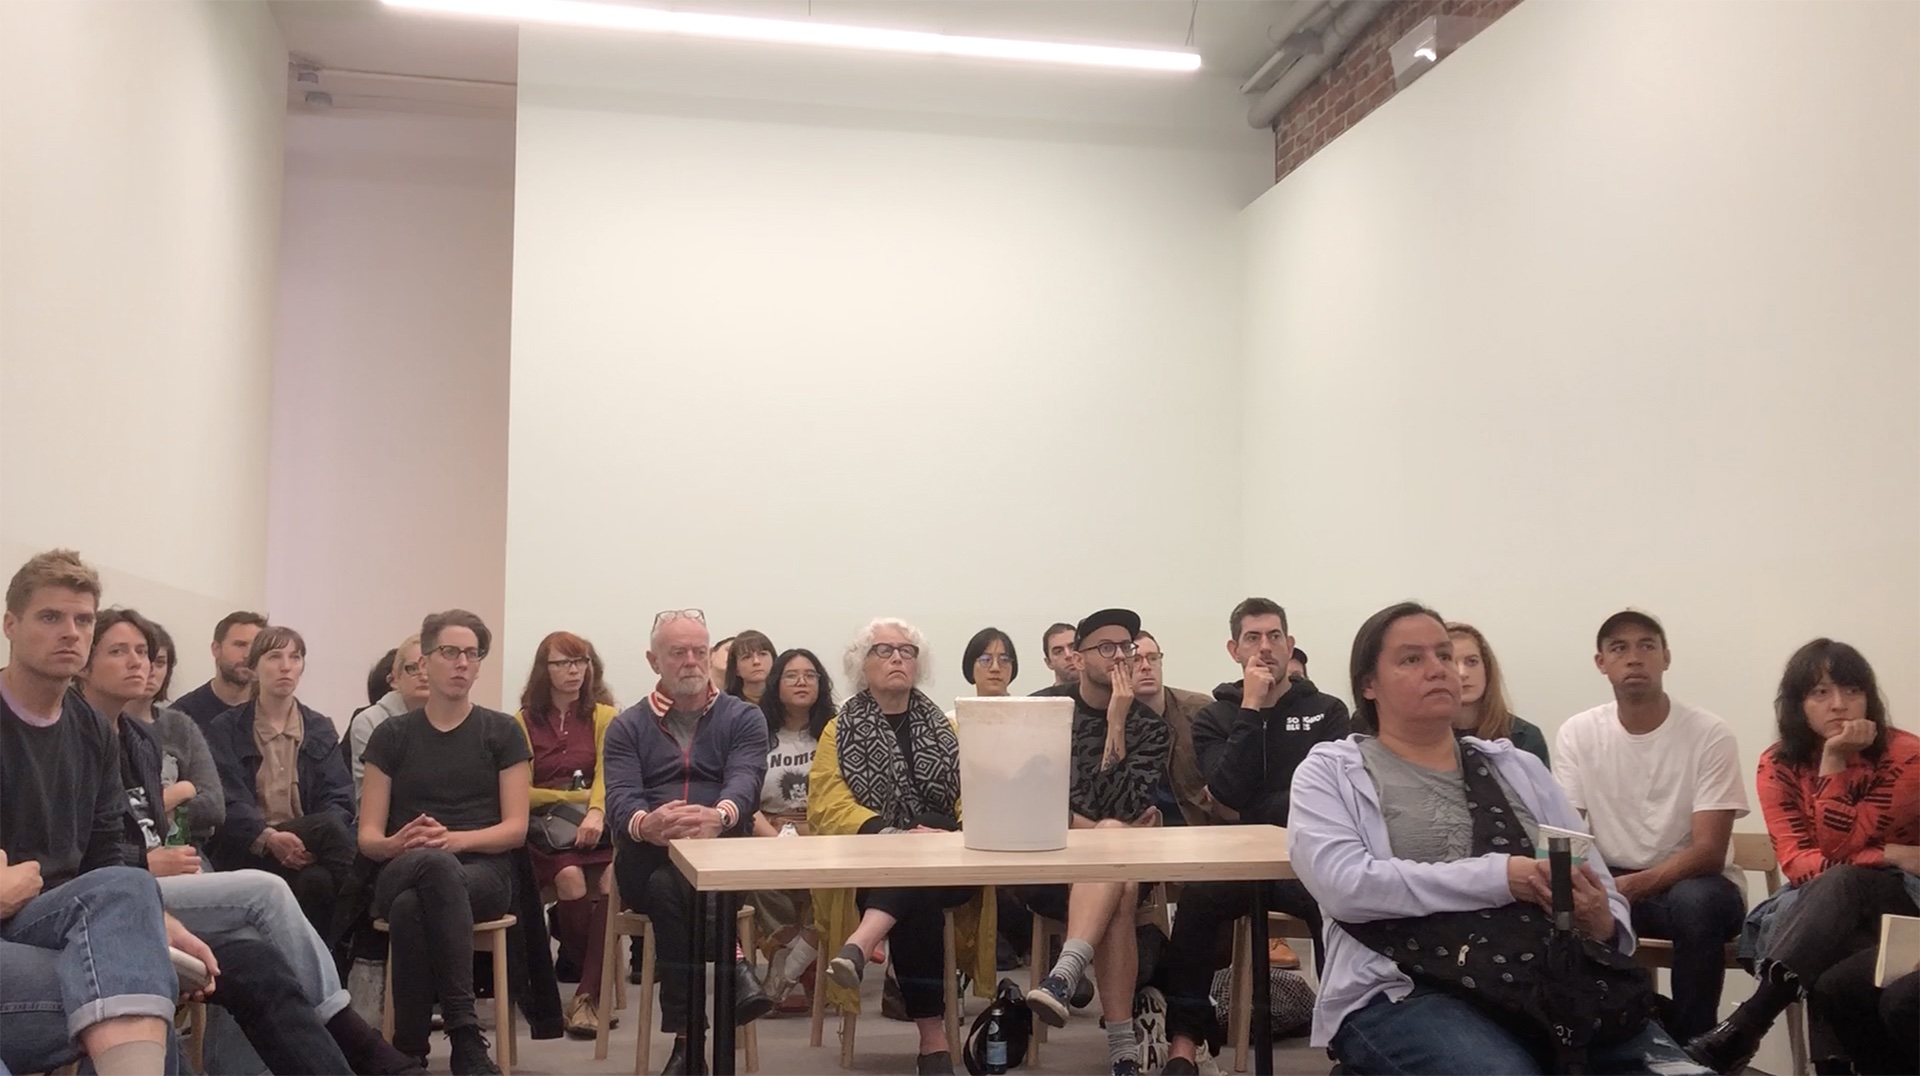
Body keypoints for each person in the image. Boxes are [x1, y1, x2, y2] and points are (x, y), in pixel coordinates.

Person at [1292, 601, 1707, 1075]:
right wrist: (1503, 876)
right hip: (1406, 990)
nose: (1439, 670)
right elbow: (1347, 887)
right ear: (1369, 685)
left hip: (1549, 983)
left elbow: (1591, 877)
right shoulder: (1331, 773)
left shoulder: (1519, 768)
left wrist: (1602, 920)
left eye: (1444, 655)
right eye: (1412, 659)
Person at [85, 608, 411, 1075]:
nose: (141, 664)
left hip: (187, 867)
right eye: (121, 652)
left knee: (260, 941)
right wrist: (150, 853)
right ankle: (345, 1024)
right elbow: (218, 812)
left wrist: (162, 830)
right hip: (161, 873)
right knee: (266, 890)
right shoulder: (90, 733)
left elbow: (187, 811)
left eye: (146, 653)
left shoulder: (141, 735)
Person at [1685, 639, 1920, 1074]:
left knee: (1841, 887)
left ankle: (1747, 1024)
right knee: (1836, 922)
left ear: (1869, 697)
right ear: (1798, 704)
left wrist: (1834, 765)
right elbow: (1797, 863)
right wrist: (1888, 851)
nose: (1839, 705)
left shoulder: (1906, 756)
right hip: (1820, 907)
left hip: (1905, 904)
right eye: (1820, 693)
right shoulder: (1777, 764)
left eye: (1851, 691)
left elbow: (1835, 851)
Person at [0, 551, 194, 1076]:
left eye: (82, 620)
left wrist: (155, 918)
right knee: (138, 992)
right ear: (10, 625)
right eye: (50, 617)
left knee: (133, 924)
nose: (70, 632)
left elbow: (110, 849)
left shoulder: (90, 725)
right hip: (8, 920)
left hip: (56, 917)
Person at [1160, 598, 1351, 1073]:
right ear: (1234, 649)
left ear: (1290, 644)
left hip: (1305, 857)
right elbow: (1222, 786)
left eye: (1274, 636)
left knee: (1335, 906)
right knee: (1196, 905)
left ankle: (1348, 1040)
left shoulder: (1327, 712)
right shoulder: (1215, 717)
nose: (1265, 647)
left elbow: (1329, 796)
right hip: (1236, 858)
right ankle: (1185, 1042)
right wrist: (1250, 707)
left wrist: (1248, 807)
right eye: (1252, 638)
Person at [1554, 610, 1750, 1044]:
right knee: (1562, 907)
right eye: (1619, 648)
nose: (1634, 658)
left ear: (1666, 657)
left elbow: (1709, 852)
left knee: (1693, 902)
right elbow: (1568, 836)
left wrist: (1630, 887)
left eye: (1647, 645)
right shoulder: (1578, 733)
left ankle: (1695, 1046)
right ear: (1601, 663)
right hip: (1619, 881)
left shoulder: (1709, 733)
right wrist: (1596, 887)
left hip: (1702, 885)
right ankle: (1613, 1042)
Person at [813, 618, 995, 1076]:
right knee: (918, 890)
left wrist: (941, 834)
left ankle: (861, 943)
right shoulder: (839, 729)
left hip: (946, 860)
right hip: (872, 862)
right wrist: (893, 837)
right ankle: (933, 1042)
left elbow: (971, 795)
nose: (898, 658)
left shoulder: (942, 725)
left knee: (927, 845)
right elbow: (829, 805)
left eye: (907, 651)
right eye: (884, 650)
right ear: (861, 664)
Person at [359, 609, 532, 1076]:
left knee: (415, 905)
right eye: (450, 652)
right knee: (427, 872)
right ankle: (463, 1034)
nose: (462, 663)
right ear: (424, 663)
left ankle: (409, 1050)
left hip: (485, 871)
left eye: (472, 655)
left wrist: (453, 840)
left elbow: (515, 829)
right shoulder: (390, 735)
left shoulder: (502, 731)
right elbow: (369, 838)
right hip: (402, 862)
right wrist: (399, 843)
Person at [602, 608, 772, 1075]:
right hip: (646, 854)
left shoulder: (743, 718)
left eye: (700, 650)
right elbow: (619, 798)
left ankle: (686, 1042)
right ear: (654, 660)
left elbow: (745, 780)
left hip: (721, 856)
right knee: (668, 881)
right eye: (678, 652)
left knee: (673, 890)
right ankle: (736, 964)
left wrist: (719, 816)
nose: (692, 661)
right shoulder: (626, 726)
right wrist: (647, 823)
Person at [1026, 609, 1170, 1076]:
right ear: (1079, 655)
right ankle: (1122, 1050)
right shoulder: (1046, 712)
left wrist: (1116, 723)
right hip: (1048, 863)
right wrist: (1109, 831)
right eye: (1105, 648)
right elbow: (1040, 805)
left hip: (1115, 867)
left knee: (1117, 869)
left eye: (1125, 647)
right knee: (1115, 857)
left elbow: (1122, 803)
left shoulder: (1148, 726)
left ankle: (1065, 972)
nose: (1118, 659)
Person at [205, 625, 358, 939]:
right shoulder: (225, 728)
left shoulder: (318, 727)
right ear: (255, 668)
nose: (286, 666)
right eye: (275, 656)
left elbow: (339, 796)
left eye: (295, 657)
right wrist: (268, 836)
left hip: (309, 843)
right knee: (330, 829)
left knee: (316, 883)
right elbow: (226, 800)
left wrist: (311, 845)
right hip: (250, 845)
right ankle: (368, 912)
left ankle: (322, 973)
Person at [512, 630, 618, 1040]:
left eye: (581, 662)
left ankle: (587, 996)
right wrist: (566, 795)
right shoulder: (521, 721)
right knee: (570, 878)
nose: (574, 671)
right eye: (563, 663)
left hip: (597, 825)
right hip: (546, 832)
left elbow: (611, 778)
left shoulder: (604, 716)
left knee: (612, 879)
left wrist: (593, 809)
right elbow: (523, 788)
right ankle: (592, 988)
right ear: (545, 669)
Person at [751, 648, 836, 1013]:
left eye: (810, 675)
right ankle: (798, 951)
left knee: (842, 879)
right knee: (753, 874)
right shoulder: (756, 732)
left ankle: (791, 961)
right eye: (791, 675)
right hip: (769, 831)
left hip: (824, 833)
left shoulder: (835, 731)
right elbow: (743, 799)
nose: (802, 682)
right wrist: (776, 840)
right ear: (776, 684)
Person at [122, 617, 225, 847]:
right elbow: (116, 814)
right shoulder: (105, 725)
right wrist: (181, 791)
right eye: (143, 659)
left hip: (184, 847)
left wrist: (152, 812)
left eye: (159, 662)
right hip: (129, 853)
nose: (148, 670)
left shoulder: (180, 725)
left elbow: (214, 806)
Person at [1132, 629, 1226, 827]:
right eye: (1136, 660)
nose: (1146, 667)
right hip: (1139, 831)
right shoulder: (1112, 716)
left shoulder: (1199, 709)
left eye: (1153, 658)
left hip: (1199, 825)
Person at [1447, 622, 1550, 766]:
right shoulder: (1419, 739)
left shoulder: (1523, 736)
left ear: (1487, 668)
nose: (1463, 673)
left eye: (1472, 662)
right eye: (1451, 662)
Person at [347, 633, 430, 802]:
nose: (423, 675)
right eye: (412, 668)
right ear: (395, 679)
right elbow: (368, 797)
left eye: (429, 667)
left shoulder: (452, 719)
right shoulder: (369, 721)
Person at [171, 609, 267, 727]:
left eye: (256, 647)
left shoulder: (272, 711)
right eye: (240, 645)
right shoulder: (183, 715)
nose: (248, 654)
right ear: (216, 649)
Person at [961, 627, 1018, 699]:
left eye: (1004, 660)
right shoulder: (960, 710)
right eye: (986, 660)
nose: (995, 668)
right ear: (971, 667)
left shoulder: (1028, 710)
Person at [723, 629, 775, 706]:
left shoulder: (785, 700)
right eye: (747, 657)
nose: (756, 661)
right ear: (736, 669)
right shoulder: (725, 705)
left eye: (762, 654)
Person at [1037, 622, 1079, 691]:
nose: (1068, 655)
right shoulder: (1038, 701)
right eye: (1058, 652)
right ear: (1048, 663)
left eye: (1073, 647)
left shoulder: (1102, 697)